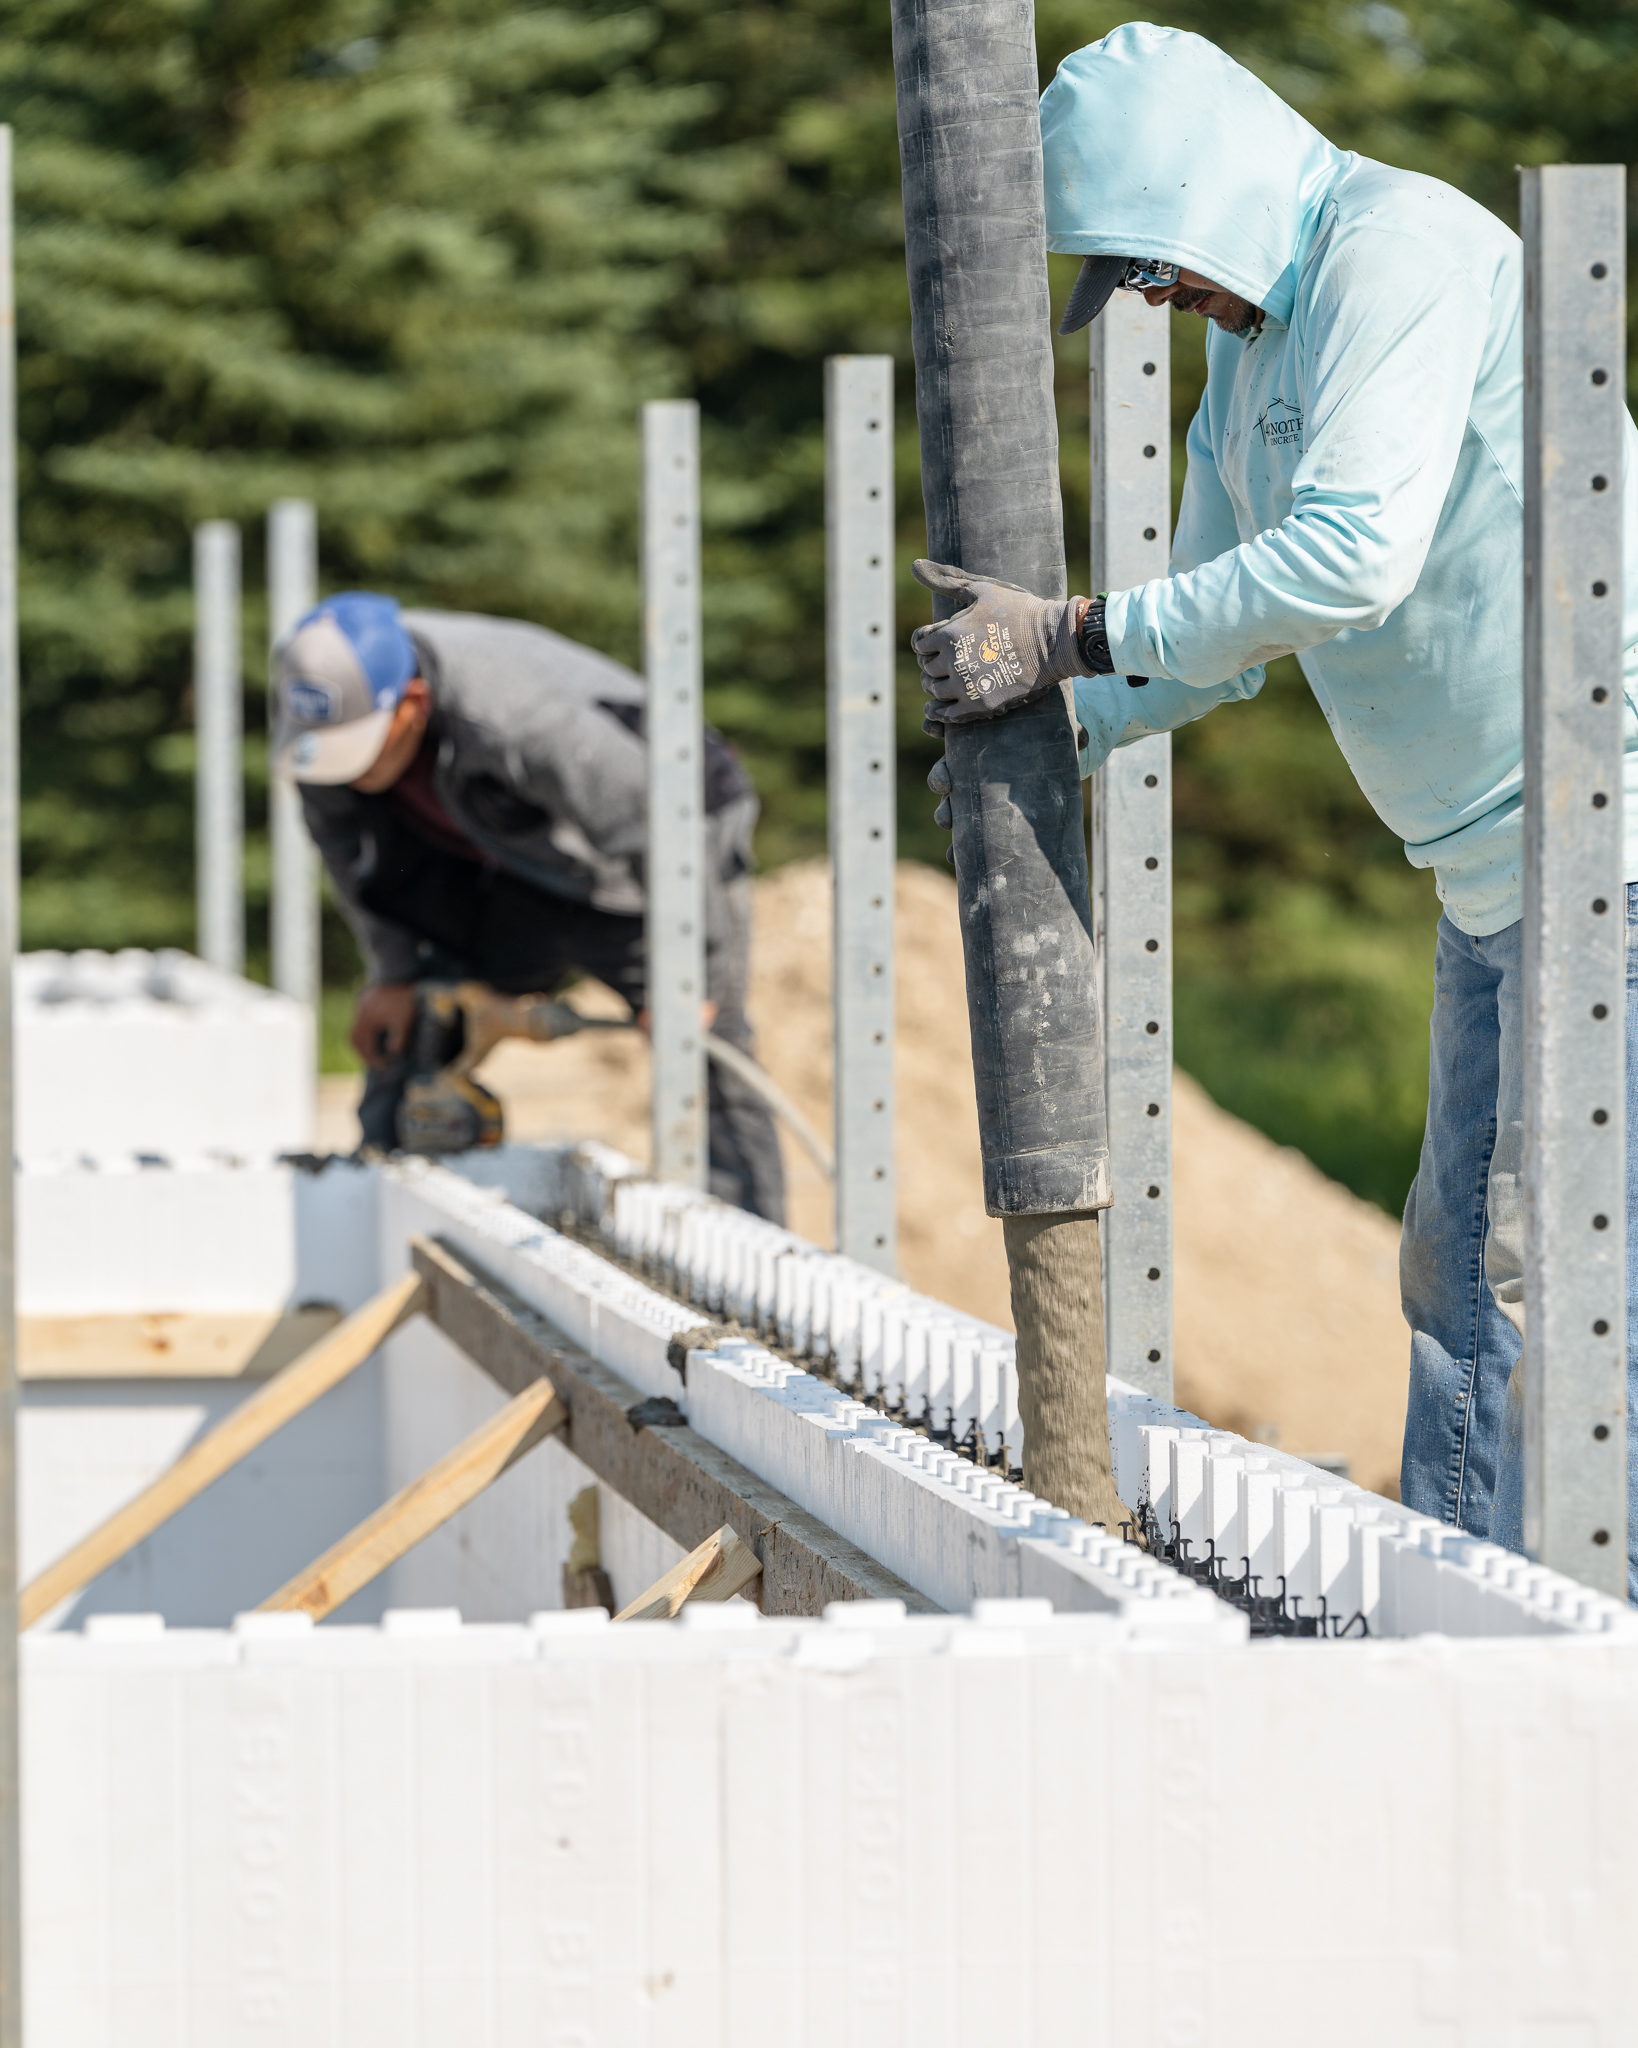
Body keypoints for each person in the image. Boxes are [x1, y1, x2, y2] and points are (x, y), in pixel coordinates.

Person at [909, 23, 1638, 1594]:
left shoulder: (1401, 254)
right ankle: (1468, 1607)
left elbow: (1345, 560)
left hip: (1609, 856)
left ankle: (1558, 1657)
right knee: (1460, 1273)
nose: (1160, 303)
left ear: (1211, 194)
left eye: (1156, 264)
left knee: (1546, 1283)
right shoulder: (1253, 365)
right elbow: (1207, 637)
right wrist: (1047, 721)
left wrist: (1073, 634)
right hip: (1490, 877)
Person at [271, 591, 786, 1222]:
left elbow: (663, 829)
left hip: (662, 846)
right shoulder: (322, 722)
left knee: (705, 1051)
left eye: (360, 748)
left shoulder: (522, 717)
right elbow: (351, 859)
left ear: (411, 704)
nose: (346, 773)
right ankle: (375, 1217)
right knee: (421, 1023)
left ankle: (752, 1246)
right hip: (520, 867)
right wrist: (395, 973)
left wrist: (690, 977)